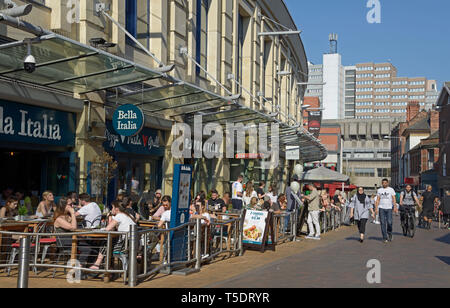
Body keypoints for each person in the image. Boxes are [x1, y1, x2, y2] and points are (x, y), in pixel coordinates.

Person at [89, 201, 137, 271]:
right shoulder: (129, 215)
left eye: (112, 207)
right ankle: (109, 266)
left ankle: (97, 264)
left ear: (117, 209)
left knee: (106, 243)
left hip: (125, 246)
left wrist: (110, 217)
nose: (111, 209)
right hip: (133, 243)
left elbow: (108, 229)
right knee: (110, 242)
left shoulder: (119, 215)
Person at [375, 179, 398, 243]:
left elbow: (394, 199)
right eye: (383, 183)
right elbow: (377, 200)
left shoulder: (391, 189)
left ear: (387, 183)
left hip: (389, 208)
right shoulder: (379, 190)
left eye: (385, 183)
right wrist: (376, 209)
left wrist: (395, 207)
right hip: (381, 208)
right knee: (382, 223)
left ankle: (389, 232)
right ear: (382, 183)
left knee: (389, 222)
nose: (384, 184)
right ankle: (385, 237)